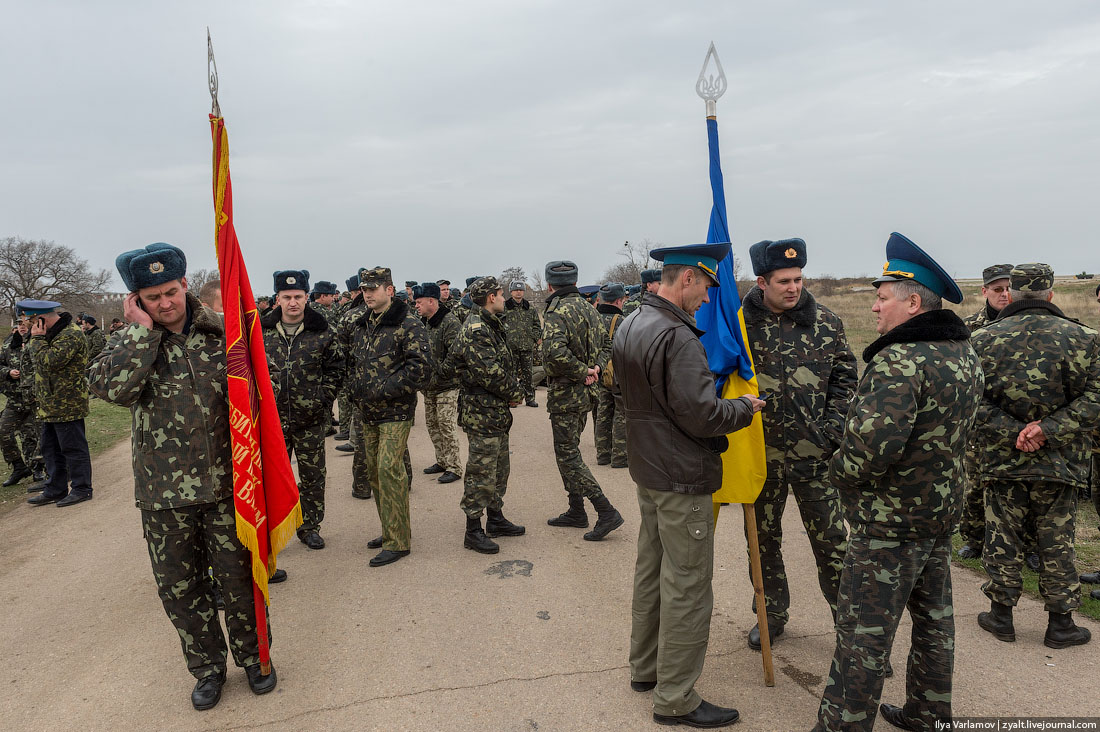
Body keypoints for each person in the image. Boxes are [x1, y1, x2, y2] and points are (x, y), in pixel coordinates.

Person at [88, 242, 276, 710]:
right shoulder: (130, 343)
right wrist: (142, 334)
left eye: (170, 291)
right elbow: (112, 390)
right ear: (136, 301)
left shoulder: (224, 334)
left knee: (238, 580)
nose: (165, 302)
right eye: (152, 297)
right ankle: (207, 669)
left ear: (185, 285)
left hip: (229, 487)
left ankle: (254, 658)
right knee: (180, 587)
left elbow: (260, 398)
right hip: (163, 494)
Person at [813, 232, 982, 732]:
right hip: (938, 512)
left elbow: (870, 450)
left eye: (882, 297)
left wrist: (835, 473)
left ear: (913, 302)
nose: (874, 307)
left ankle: (841, 724)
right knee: (934, 622)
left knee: (863, 634)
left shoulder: (898, 360)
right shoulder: (962, 352)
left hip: (889, 524)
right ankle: (929, 713)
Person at [615, 242, 760, 728]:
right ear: (687, 280)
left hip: (650, 471)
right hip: (681, 476)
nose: (706, 298)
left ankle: (647, 669)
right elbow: (703, 415)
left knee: (652, 571)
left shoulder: (632, 322)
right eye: (705, 287)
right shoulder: (678, 337)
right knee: (688, 586)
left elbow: (630, 398)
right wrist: (746, 409)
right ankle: (675, 697)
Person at [971, 263, 1098, 650]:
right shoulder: (1085, 339)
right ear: (1051, 294)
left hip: (1002, 460)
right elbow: (1095, 397)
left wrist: (1015, 432)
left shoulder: (982, 340)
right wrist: (1049, 429)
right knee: (1057, 540)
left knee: (1002, 535)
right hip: (1060, 463)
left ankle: (1001, 616)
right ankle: (1060, 624)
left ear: (1009, 295)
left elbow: (970, 400)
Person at [741, 238, 856, 651]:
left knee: (832, 543)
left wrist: (833, 431)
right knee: (762, 541)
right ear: (761, 283)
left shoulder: (826, 323)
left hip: (815, 455)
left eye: (799, 279)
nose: (794, 288)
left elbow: (846, 380)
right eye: (784, 281)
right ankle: (770, 614)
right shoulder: (738, 326)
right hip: (760, 456)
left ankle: (851, 631)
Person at [349, 267, 431, 567]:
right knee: (374, 473)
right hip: (367, 411)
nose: (367, 294)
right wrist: (356, 389)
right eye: (364, 289)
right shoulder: (363, 324)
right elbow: (354, 363)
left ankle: (398, 542)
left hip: (395, 411)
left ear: (389, 290)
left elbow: (421, 369)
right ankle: (390, 529)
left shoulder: (408, 324)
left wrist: (383, 389)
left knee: (388, 469)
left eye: (373, 288)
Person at [541, 260, 624, 541]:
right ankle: (576, 510)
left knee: (568, 456)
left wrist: (582, 371)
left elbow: (554, 353)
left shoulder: (556, 312)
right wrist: (596, 369)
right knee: (570, 450)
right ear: (575, 283)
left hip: (566, 393)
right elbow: (606, 344)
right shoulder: (589, 308)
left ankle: (605, 509)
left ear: (550, 285)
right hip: (585, 392)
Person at [262, 269, 344, 551]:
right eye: (287, 297)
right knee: (272, 479)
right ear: (278, 299)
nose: (293, 302)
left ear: (307, 298)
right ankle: (275, 528)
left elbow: (335, 368)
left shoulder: (322, 331)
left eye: (298, 296)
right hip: (272, 421)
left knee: (312, 476)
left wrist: (323, 398)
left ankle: (309, 526)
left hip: (310, 419)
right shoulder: (261, 332)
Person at [451, 276, 525, 554]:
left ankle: (495, 518)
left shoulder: (492, 325)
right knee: (481, 472)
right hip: (482, 413)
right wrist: (515, 392)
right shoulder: (477, 329)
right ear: (491, 297)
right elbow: (489, 372)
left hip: (495, 412)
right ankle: (473, 528)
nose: (504, 297)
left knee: (499, 470)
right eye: (501, 293)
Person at [957, 263, 1014, 561]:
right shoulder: (968, 328)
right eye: (997, 290)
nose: (1005, 295)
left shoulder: (1025, 323)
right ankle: (974, 538)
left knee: (1019, 487)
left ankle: (1025, 547)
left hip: (1015, 418)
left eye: (1008, 289)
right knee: (974, 482)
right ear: (984, 292)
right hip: (978, 420)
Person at [21, 300, 93, 508]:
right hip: (50, 402)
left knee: (73, 447)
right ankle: (55, 488)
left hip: (67, 402)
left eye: (32, 320)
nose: (30, 326)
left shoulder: (70, 334)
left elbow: (49, 362)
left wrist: (36, 339)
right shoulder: (52, 334)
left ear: (42, 319)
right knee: (50, 448)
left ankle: (82, 488)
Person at [414, 282, 463, 484]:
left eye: (419, 302)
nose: (416, 306)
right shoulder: (426, 322)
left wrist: (441, 372)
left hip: (447, 385)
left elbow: (457, 352)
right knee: (433, 425)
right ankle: (442, 461)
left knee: (446, 425)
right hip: (430, 386)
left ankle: (455, 467)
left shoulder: (449, 322)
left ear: (431, 301)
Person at [0, 317, 43, 487]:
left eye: (25, 324)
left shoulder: (39, 342)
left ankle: (38, 468)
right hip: (15, 401)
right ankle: (18, 466)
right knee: (3, 431)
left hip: (35, 400)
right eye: (19, 324)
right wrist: (8, 371)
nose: (22, 327)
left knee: (33, 437)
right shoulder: (9, 346)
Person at [593, 282, 628, 468]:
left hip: (597, 371)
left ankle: (602, 455)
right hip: (617, 373)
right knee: (621, 413)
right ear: (618, 300)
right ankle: (620, 457)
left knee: (602, 412)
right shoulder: (623, 322)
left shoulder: (592, 318)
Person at [502, 280, 542, 408]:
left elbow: (537, 325)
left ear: (523, 291)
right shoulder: (505, 307)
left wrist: (535, 338)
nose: (518, 292)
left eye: (520, 290)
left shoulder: (530, 308)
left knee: (528, 375)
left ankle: (530, 398)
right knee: (511, 374)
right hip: (510, 347)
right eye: (516, 290)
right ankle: (513, 398)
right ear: (511, 292)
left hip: (526, 346)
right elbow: (498, 324)